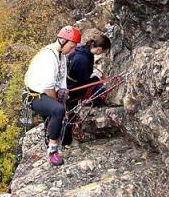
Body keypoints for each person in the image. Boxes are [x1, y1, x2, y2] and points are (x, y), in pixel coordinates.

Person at [24, 26, 81, 166]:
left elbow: (62, 84)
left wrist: (64, 96)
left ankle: (53, 135)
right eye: (72, 46)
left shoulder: (61, 57)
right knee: (58, 110)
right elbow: (48, 88)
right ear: (63, 41)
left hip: (47, 92)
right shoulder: (48, 56)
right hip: (34, 95)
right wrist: (60, 105)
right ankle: (52, 151)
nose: (72, 50)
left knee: (62, 109)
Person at [63, 34, 111, 145]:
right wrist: (99, 80)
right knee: (71, 115)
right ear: (99, 49)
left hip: (72, 83)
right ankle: (65, 142)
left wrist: (98, 77)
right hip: (73, 89)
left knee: (70, 114)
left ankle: (66, 140)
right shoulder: (82, 59)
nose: (103, 54)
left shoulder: (84, 51)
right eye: (104, 51)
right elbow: (83, 80)